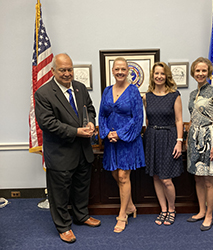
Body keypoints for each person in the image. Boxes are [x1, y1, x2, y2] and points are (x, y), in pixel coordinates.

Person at [35, 53, 101, 243]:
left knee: (82, 187)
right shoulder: (44, 93)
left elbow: (89, 109)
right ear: (53, 71)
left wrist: (90, 123)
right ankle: (63, 226)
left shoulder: (80, 88)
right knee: (59, 193)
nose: (67, 73)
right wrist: (76, 132)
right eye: (62, 70)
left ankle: (81, 216)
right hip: (60, 153)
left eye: (69, 69)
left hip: (83, 151)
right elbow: (48, 123)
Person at [98, 57, 145, 233]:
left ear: (128, 71)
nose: (120, 72)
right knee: (114, 173)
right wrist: (107, 133)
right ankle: (131, 205)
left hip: (128, 140)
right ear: (112, 71)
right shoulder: (107, 90)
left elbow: (137, 118)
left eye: (123, 69)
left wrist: (119, 133)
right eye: (117, 69)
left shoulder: (133, 91)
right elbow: (102, 114)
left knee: (124, 176)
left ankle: (122, 214)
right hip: (111, 140)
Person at [143, 62, 184, 226]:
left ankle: (172, 209)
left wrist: (179, 142)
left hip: (169, 137)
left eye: (162, 73)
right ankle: (163, 209)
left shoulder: (175, 95)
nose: (159, 76)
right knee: (156, 176)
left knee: (166, 179)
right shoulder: (147, 96)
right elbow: (146, 119)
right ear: (152, 76)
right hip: (152, 137)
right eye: (156, 73)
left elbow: (179, 120)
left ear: (167, 75)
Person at [186, 57, 213, 231]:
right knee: (197, 177)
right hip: (194, 138)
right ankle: (201, 211)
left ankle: (209, 215)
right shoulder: (193, 94)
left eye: (203, 70)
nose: (200, 73)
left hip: (209, 138)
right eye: (197, 71)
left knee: (209, 180)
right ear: (193, 73)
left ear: (208, 73)